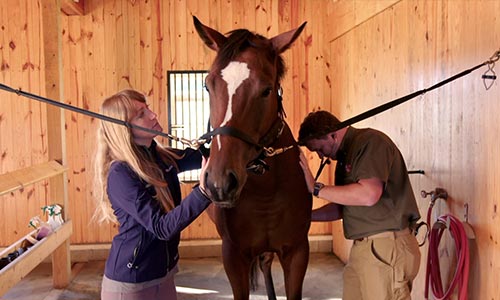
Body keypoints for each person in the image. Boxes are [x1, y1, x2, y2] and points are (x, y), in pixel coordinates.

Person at [92, 89, 211, 300]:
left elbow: (207, 156)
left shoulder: (161, 156)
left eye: (147, 109)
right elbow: (161, 228)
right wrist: (203, 192)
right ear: (125, 128)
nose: (153, 115)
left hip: (163, 275)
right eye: (141, 114)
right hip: (130, 284)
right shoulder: (121, 173)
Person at [297, 110, 421, 300]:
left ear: (332, 134)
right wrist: (306, 216)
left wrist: (316, 188)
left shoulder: (371, 143)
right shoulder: (345, 155)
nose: (322, 156)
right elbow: (343, 206)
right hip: (363, 249)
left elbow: (368, 194)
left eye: (320, 149)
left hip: (385, 247)